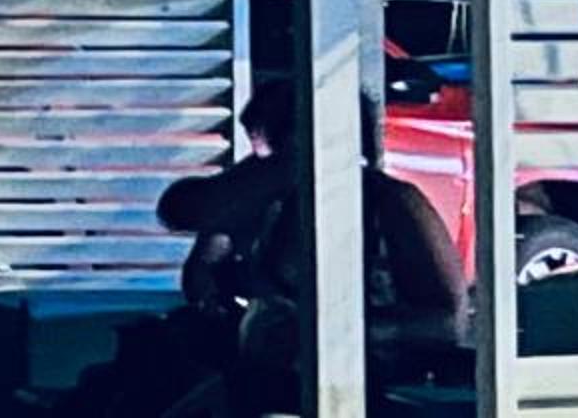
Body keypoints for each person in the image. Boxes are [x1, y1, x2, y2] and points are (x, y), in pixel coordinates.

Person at [49, 78, 466, 417]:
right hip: (258, 368)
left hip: (354, 378)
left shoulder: (389, 203)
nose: (259, 163)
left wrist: (329, 335)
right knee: (142, 371)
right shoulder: (269, 200)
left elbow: (447, 324)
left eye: (266, 151)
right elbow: (185, 215)